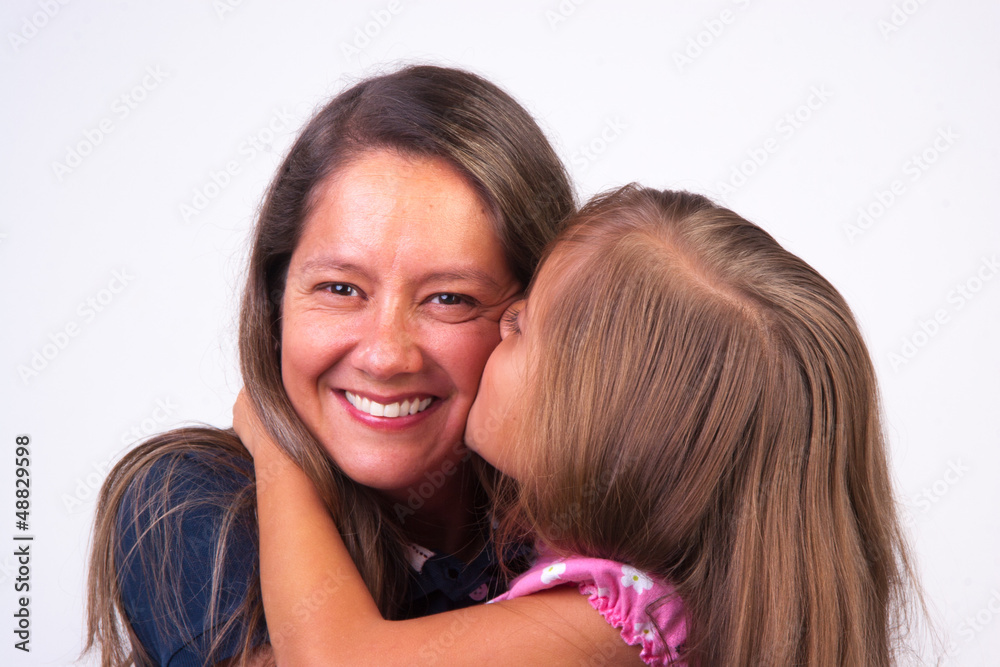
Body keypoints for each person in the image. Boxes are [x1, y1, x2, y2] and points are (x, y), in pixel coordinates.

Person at [234, 185, 922, 666]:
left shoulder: (624, 620)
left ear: (602, 419)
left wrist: (276, 450)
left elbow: (336, 658)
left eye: (525, 324)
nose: (503, 321)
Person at [85, 65, 574, 667]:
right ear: (276, 300)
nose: (385, 355)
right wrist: (278, 453)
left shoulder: (604, 542)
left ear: (541, 324)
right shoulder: (190, 505)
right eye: (341, 289)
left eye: (450, 298)